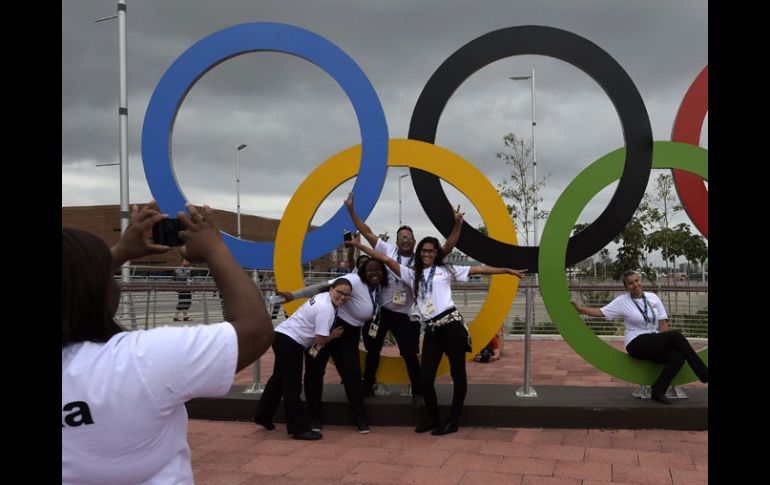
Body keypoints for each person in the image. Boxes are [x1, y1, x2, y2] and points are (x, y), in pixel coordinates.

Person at [62, 201, 274, 485]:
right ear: (94, 289)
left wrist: (118, 253)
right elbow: (255, 331)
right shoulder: (140, 360)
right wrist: (215, 249)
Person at [347, 231, 526, 436]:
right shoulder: (410, 273)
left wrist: (507, 271)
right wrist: (359, 247)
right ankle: (433, 418)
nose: (427, 254)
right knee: (425, 379)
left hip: (451, 326)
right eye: (424, 251)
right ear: (419, 252)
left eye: (431, 251)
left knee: (458, 375)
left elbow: (481, 269)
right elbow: (385, 258)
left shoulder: (447, 270)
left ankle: (453, 420)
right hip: (431, 330)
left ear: (436, 254)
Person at [344, 192, 463, 409]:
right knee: (373, 350)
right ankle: (367, 385)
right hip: (381, 311)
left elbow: (447, 247)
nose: (405, 240)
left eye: (409, 237)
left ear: (414, 240)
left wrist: (457, 225)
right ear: (396, 240)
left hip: (405, 315)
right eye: (402, 237)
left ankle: (417, 391)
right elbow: (367, 231)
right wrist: (351, 210)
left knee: (409, 353)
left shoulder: (421, 259)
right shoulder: (387, 250)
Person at [277, 257, 387, 434]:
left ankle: (360, 418)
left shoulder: (382, 286)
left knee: (352, 374)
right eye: (369, 270)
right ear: (362, 272)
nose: (374, 273)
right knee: (314, 371)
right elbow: (321, 288)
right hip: (329, 326)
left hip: (349, 334)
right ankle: (315, 417)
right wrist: (292, 296)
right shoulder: (353, 280)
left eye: (378, 270)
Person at [571, 270, 708, 404]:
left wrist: (668, 343)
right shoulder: (622, 301)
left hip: (653, 341)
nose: (635, 285)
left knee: (677, 358)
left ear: (640, 281)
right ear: (626, 287)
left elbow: (663, 325)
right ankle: (704, 373)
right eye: (631, 283)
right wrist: (580, 309)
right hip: (636, 343)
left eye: (637, 281)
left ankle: (658, 391)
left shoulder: (653, 298)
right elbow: (601, 312)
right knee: (677, 336)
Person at [253, 279, 351, 440]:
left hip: (282, 336)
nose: (343, 297)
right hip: (290, 342)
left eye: (347, 295)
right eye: (340, 292)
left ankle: (262, 415)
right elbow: (320, 340)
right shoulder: (326, 309)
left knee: (278, 380)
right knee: (292, 386)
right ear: (332, 289)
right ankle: (298, 428)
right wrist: (332, 335)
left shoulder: (323, 297)